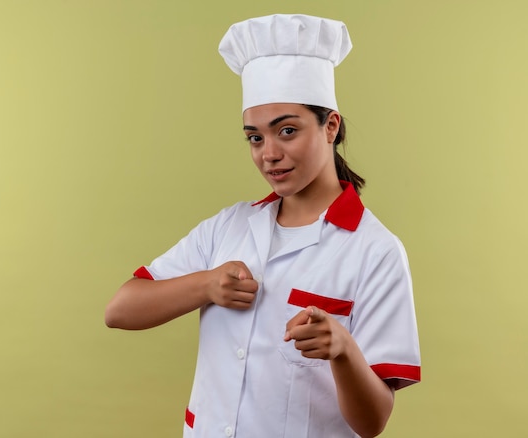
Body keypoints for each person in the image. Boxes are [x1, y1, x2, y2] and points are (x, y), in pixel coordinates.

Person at [105, 13, 420, 438]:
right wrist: (206, 285)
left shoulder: (376, 251)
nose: (268, 154)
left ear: (331, 126)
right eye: (255, 137)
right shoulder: (229, 227)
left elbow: (372, 423)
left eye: (286, 131)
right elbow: (120, 310)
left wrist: (343, 350)